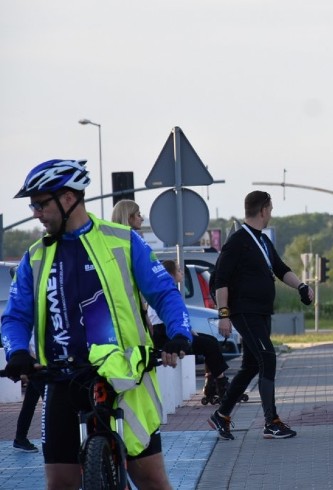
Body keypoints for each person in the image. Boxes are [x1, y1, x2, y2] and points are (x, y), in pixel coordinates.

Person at [1, 159, 193, 490]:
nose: (35, 212)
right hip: (62, 376)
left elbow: (164, 293)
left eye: (40, 203)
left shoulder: (123, 240)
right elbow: (16, 316)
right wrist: (17, 351)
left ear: (68, 198)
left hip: (125, 376)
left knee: (150, 478)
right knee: (59, 483)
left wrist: (178, 334)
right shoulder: (35, 256)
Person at [208, 191, 314, 440]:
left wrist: (301, 286)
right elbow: (220, 280)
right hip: (244, 311)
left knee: (251, 365)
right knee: (267, 357)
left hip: (261, 311)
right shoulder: (237, 241)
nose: (271, 214)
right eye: (271, 209)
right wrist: (224, 315)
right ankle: (271, 422)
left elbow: (280, 268)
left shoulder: (263, 241)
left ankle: (221, 415)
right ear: (263, 210)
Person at [111, 200, 232, 404]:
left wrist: (182, 331)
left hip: (136, 330)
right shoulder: (133, 244)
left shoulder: (131, 244)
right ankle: (219, 386)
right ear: (129, 217)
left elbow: (163, 299)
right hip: (147, 333)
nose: (141, 218)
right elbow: (162, 300)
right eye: (138, 214)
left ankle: (216, 384)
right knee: (209, 345)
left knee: (209, 344)